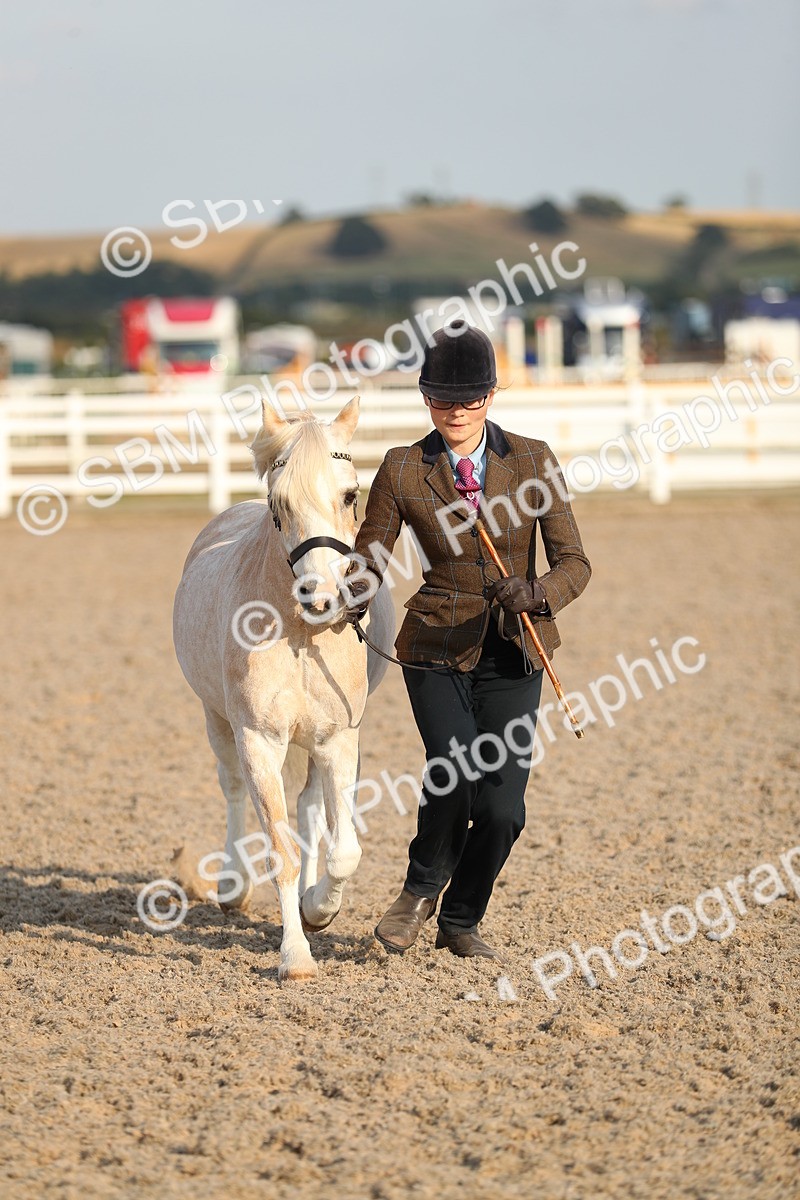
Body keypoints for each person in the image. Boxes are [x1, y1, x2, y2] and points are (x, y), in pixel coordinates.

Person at [348, 321, 591, 961]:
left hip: (516, 650)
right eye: (442, 400)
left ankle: (460, 918)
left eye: (471, 400)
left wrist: (536, 593)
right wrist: (343, 583)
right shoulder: (402, 469)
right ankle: (418, 890)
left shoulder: (534, 460)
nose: (457, 412)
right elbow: (371, 554)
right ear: (426, 398)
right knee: (453, 774)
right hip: (433, 647)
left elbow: (576, 564)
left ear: (490, 397)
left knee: (505, 809)